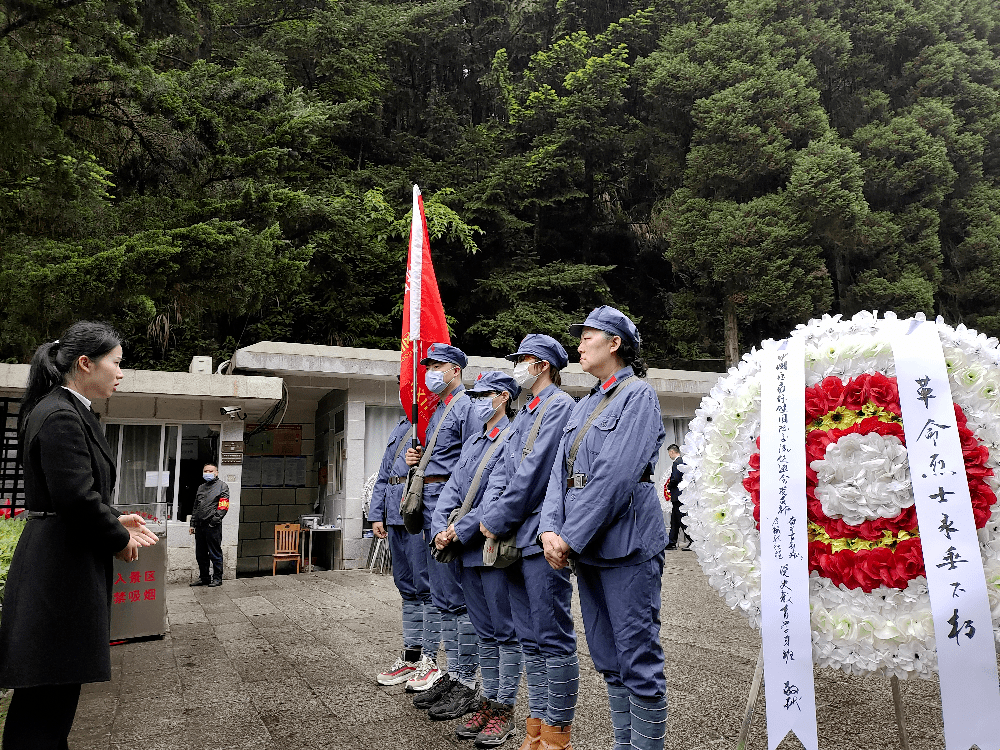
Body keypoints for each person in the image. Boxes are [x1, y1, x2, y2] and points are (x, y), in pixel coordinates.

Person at [0, 321, 159, 750]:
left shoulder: (60, 409)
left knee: (52, 690)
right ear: (85, 363)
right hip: (58, 568)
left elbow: (73, 494)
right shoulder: (60, 414)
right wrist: (117, 538)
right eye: (117, 362)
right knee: (47, 694)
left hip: (58, 556)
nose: (122, 372)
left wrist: (115, 519)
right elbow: (74, 497)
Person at [540, 306, 669, 750]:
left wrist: (567, 536)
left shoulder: (639, 396)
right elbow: (559, 472)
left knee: (637, 657)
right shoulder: (585, 403)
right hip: (589, 546)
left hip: (626, 544)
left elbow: (615, 476)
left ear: (615, 344)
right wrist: (549, 530)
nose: (579, 344)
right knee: (608, 658)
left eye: (588, 336)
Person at [478, 335, 578, 750]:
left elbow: (535, 473)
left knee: (552, 636)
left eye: (525, 360)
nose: (519, 365)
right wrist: (492, 516)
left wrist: (497, 518)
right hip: (514, 535)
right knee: (529, 639)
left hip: (539, 533)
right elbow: (502, 468)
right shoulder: (524, 412)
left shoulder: (559, 406)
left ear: (545, 366)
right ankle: (534, 731)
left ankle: (557, 735)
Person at [432, 371, 522, 746]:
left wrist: (459, 529)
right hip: (466, 551)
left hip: (489, 544)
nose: (477, 400)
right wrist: (440, 525)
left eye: (483, 394)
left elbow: (498, 494)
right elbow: (452, 488)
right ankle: (486, 702)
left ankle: (504, 709)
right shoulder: (474, 440)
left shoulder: (512, 437)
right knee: (485, 632)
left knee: (505, 631)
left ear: (502, 397)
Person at [404, 343, 479, 712]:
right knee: (442, 596)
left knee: (455, 595)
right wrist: (416, 459)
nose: (430, 371)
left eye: (436, 365)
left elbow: (473, 462)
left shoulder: (466, 405)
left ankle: (466, 678)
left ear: (455, 369)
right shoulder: (440, 410)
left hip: (448, 501)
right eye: (428, 365)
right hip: (431, 498)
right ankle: (452, 675)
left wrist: (458, 514)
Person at [369, 412, 433, 686]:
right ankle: (411, 655)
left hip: (416, 512)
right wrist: (376, 514)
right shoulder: (400, 424)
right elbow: (383, 474)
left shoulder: (429, 420)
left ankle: (429, 661)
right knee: (405, 586)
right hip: (394, 513)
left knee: (425, 587)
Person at [188, 462, 230, 586]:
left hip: (213, 526)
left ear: (216, 473)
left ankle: (217, 578)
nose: (208, 473)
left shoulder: (223, 486)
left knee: (215, 553)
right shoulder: (201, 487)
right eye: (205, 471)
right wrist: (192, 524)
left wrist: (213, 522)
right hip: (200, 526)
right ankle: (204, 577)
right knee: (200, 554)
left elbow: (223, 507)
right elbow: (196, 507)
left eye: (211, 471)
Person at [664, 445, 690, 551]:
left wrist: (669, 486)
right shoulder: (683, 461)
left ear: (672, 452)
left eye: (669, 453)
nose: (669, 455)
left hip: (678, 495)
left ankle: (692, 541)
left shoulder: (676, 462)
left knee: (682, 519)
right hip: (680, 495)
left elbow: (675, 479)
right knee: (674, 520)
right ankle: (672, 542)